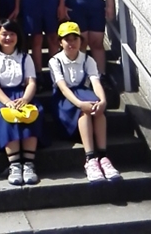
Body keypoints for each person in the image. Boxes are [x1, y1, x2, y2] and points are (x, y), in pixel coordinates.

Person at [49, 22, 121, 183]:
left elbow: (95, 82)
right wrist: (80, 104)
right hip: (65, 99)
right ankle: (90, 158)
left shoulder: (88, 60)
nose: (71, 43)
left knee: (97, 108)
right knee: (84, 111)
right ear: (60, 42)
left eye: (75, 39)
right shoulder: (55, 61)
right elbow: (63, 87)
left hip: (83, 92)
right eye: (67, 39)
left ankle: (103, 156)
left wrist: (103, 101)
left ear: (81, 41)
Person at [0, 19, 44, 186]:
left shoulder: (25, 57)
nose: (8, 38)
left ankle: (29, 163)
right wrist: (8, 102)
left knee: (33, 112)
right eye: (4, 34)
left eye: (12, 34)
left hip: (23, 95)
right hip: (1, 97)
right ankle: (15, 164)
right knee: (4, 116)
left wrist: (25, 99)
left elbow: (31, 82)